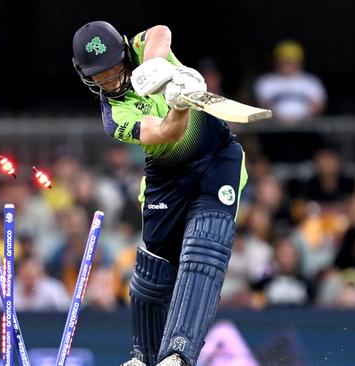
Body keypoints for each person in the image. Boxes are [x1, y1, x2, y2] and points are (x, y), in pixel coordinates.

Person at [72, 21, 248, 366]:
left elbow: (161, 31)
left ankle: (177, 354)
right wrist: (179, 105)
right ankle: (143, 357)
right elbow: (167, 133)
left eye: (114, 70)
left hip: (217, 159)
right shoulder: (114, 116)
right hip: (166, 176)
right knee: (153, 273)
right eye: (100, 77)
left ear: (125, 54)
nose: (110, 81)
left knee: (202, 250)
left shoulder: (139, 50)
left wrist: (155, 67)